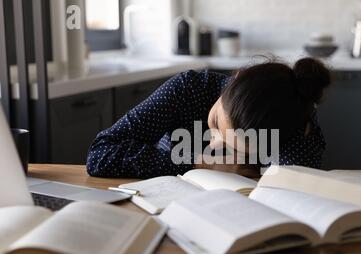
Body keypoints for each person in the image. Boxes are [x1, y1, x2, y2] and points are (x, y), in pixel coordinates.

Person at [86, 57, 331, 179]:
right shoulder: (188, 89)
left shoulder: (292, 122)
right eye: (214, 123)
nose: (213, 144)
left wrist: (304, 138)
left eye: (233, 146)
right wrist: (199, 163)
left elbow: (294, 188)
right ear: (236, 77)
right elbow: (100, 154)